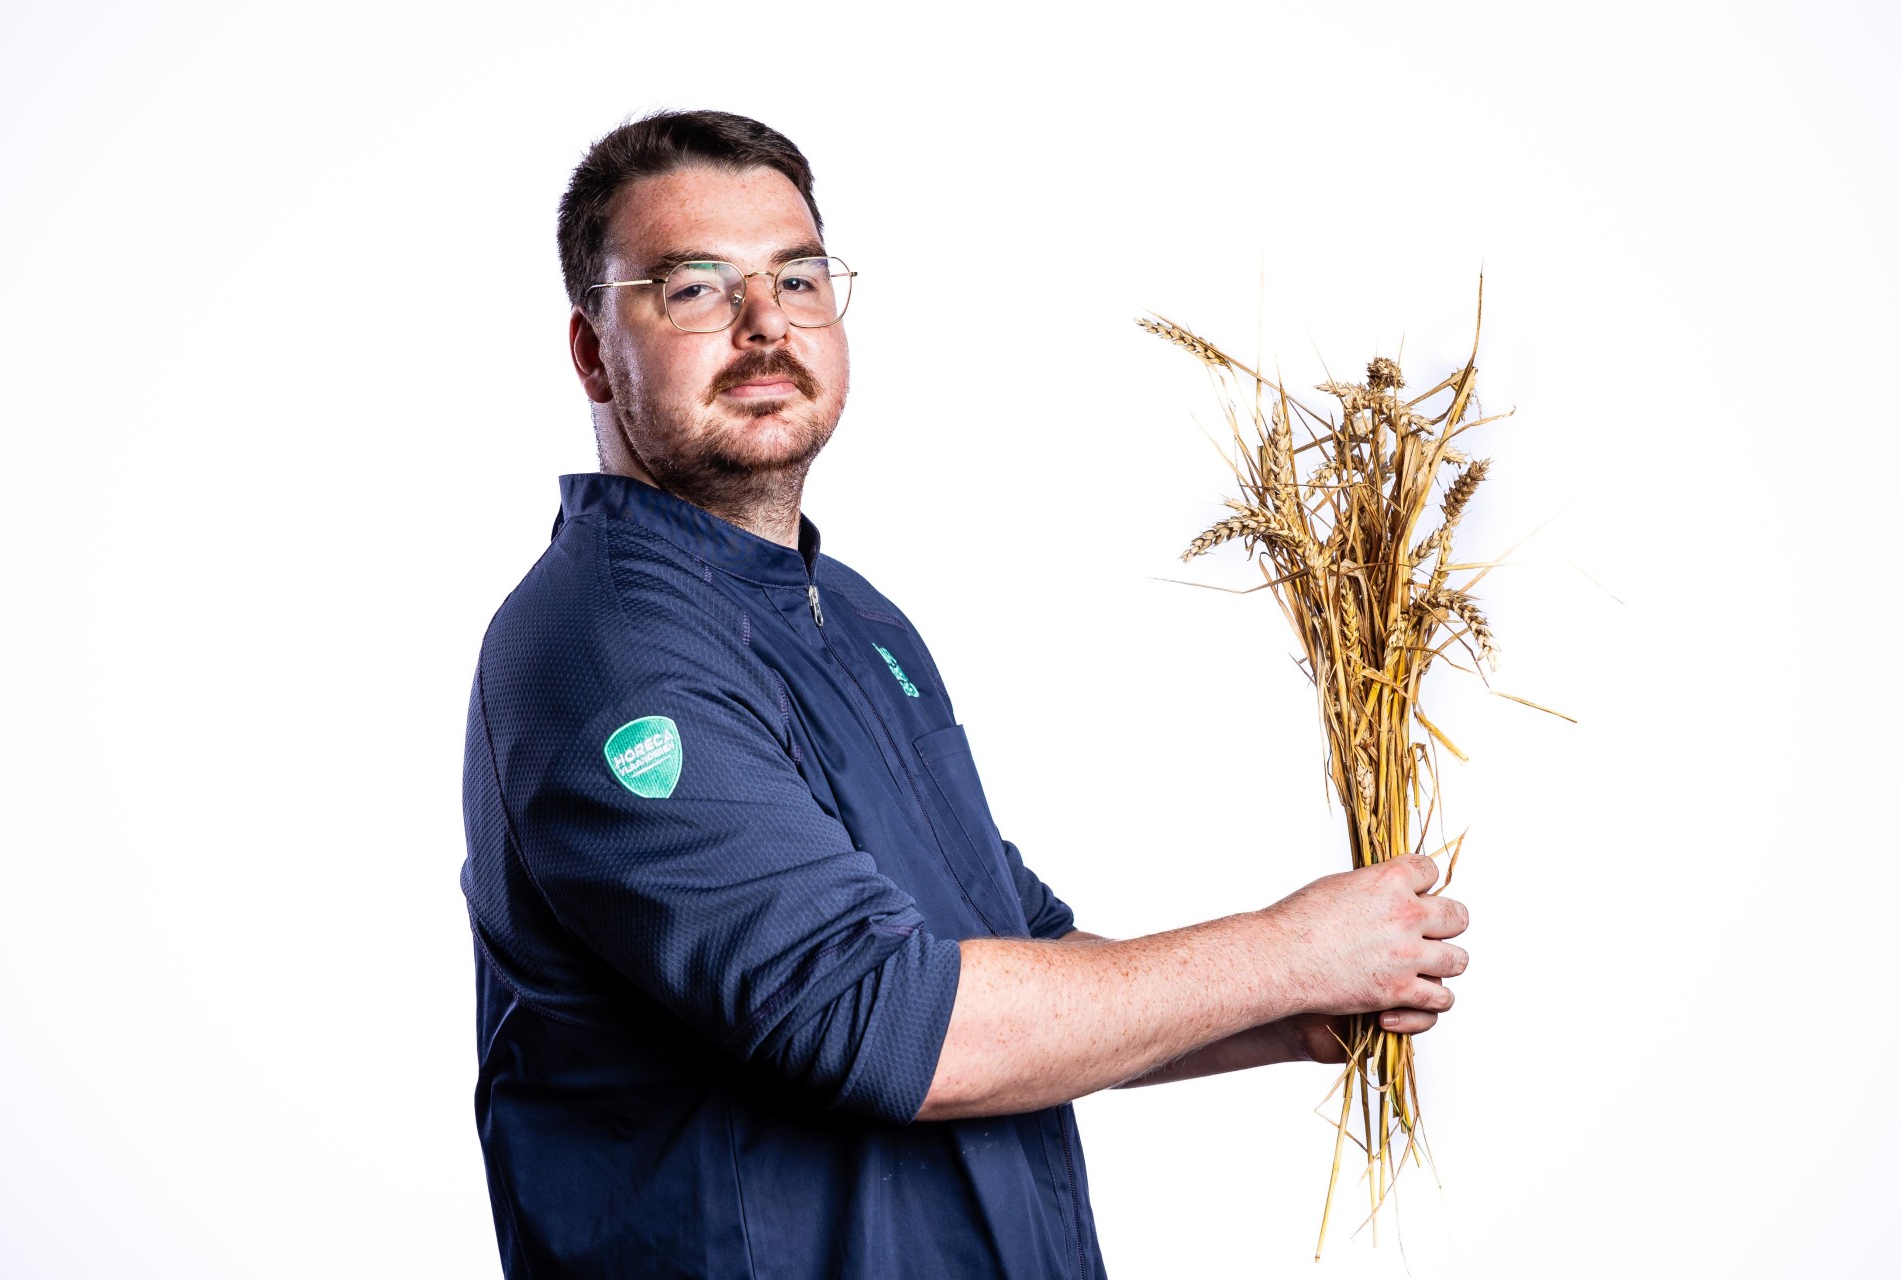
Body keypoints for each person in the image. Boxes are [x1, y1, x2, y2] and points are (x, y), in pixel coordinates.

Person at [458, 109, 1470, 1280]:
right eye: (695, 288)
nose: (764, 323)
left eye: (798, 277)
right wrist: (1284, 953)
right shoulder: (607, 648)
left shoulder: (854, 617)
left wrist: (1285, 1014)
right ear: (593, 351)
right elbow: (876, 1017)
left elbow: (1015, 952)